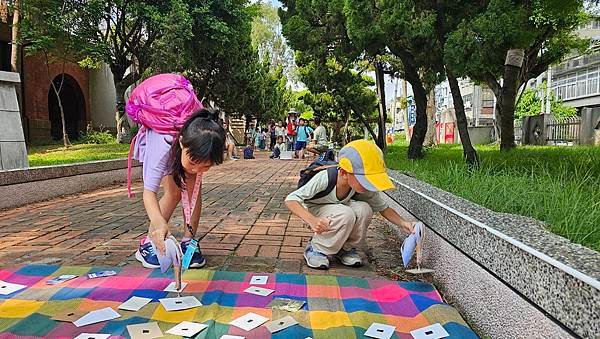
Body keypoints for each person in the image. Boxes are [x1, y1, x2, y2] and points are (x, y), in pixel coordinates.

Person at [285, 139, 417, 270]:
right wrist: (313, 221)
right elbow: (291, 199)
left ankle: (346, 248)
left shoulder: (361, 187)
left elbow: (383, 208)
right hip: (317, 209)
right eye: (364, 179)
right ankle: (317, 249)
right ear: (344, 173)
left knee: (364, 209)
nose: (368, 184)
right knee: (345, 213)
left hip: (338, 207)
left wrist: (403, 223)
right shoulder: (325, 178)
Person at [132, 108, 225, 270]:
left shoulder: (202, 141)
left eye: (206, 166)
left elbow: (194, 184)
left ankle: (189, 241)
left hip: (184, 146)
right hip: (162, 140)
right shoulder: (161, 147)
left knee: (192, 192)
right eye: (193, 163)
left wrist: (195, 165)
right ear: (182, 143)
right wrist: (160, 223)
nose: (196, 170)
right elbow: (149, 193)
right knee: (173, 193)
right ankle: (147, 244)